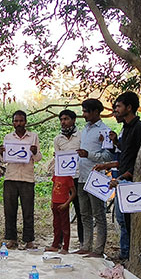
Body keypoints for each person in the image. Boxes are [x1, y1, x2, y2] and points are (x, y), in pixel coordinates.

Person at [96, 91, 141, 261]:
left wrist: (123, 177)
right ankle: (126, 254)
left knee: (127, 220)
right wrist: (107, 164)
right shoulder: (126, 127)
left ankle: (129, 255)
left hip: (131, 181)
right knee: (121, 219)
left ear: (129, 107)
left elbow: (139, 159)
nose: (115, 110)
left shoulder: (139, 128)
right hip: (123, 179)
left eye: (118, 106)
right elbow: (125, 155)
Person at [0, 109, 42, 249]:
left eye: (21, 121)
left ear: (25, 122)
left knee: (28, 211)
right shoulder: (8, 137)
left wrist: (35, 152)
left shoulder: (33, 136)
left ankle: (29, 240)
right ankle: (12, 239)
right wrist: (2, 153)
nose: (18, 123)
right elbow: (4, 160)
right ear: (12, 123)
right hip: (11, 177)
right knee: (10, 210)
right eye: (16, 121)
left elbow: (38, 158)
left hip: (27, 178)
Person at [75, 99, 113, 257]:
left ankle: (98, 249)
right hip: (82, 176)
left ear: (96, 112)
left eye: (86, 111)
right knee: (84, 213)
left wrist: (88, 154)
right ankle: (86, 245)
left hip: (96, 177)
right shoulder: (84, 129)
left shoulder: (105, 131)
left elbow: (108, 156)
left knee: (98, 213)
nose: (84, 115)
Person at [48, 109, 83, 246]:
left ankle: (82, 241)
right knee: (61, 210)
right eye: (61, 119)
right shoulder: (58, 139)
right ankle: (60, 241)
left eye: (66, 119)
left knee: (80, 210)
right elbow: (58, 159)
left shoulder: (81, 136)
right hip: (63, 179)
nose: (63, 122)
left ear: (73, 120)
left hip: (78, 176)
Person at [46, 172, 76, 254]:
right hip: (55, 203)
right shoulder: (56, 175)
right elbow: (53, 188)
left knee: (65, 226)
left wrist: (66, 204)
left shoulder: (68, 177)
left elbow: (73, 193)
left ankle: (66, 247)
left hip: (63, 204)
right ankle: (55, 245)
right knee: (56, 225)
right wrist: (52, 200)